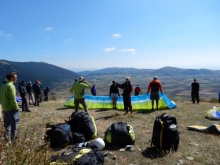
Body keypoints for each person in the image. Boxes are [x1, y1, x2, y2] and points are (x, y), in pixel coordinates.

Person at [0, 72, 20, 142]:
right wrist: (17, 108)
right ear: (12, 78)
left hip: (5, 108)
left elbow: (0, 97)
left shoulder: (3, 86)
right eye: (15, 77)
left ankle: (6, 139)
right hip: (11, 108)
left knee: (7, 125)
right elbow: (13, 99)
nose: (16, 78)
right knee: (14, 125)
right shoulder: (11, 86)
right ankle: (14, 141)